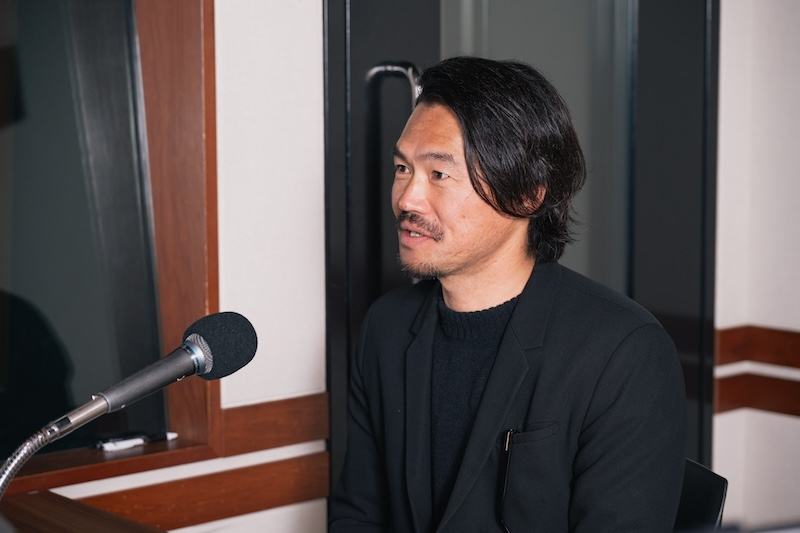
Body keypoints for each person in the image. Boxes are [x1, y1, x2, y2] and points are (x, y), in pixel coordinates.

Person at [329, 56, 687, 532]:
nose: (406, 199)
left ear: (527, 194)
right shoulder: (386, 328)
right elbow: (357, 514)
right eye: (402, 168)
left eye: (439, 174)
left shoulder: (623, 352)